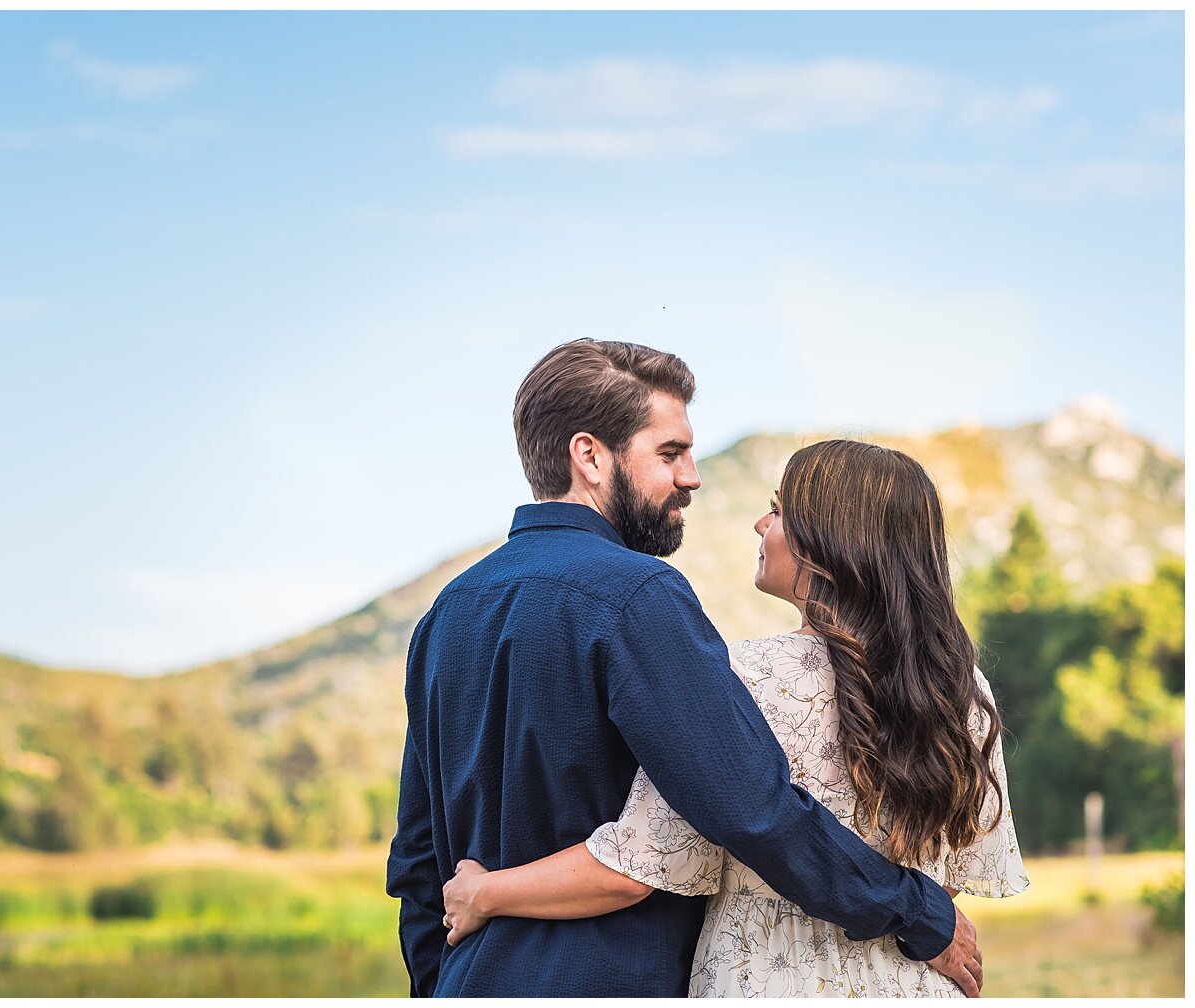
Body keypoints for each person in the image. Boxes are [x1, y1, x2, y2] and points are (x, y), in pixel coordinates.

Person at [385, 340, 983, 998]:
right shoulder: (640, 596)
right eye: (669, 454)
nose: (692, 477)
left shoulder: (445, 615)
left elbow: (417, 862)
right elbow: (752, 810)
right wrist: (919, 912)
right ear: (589, 456)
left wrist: (438, 985)